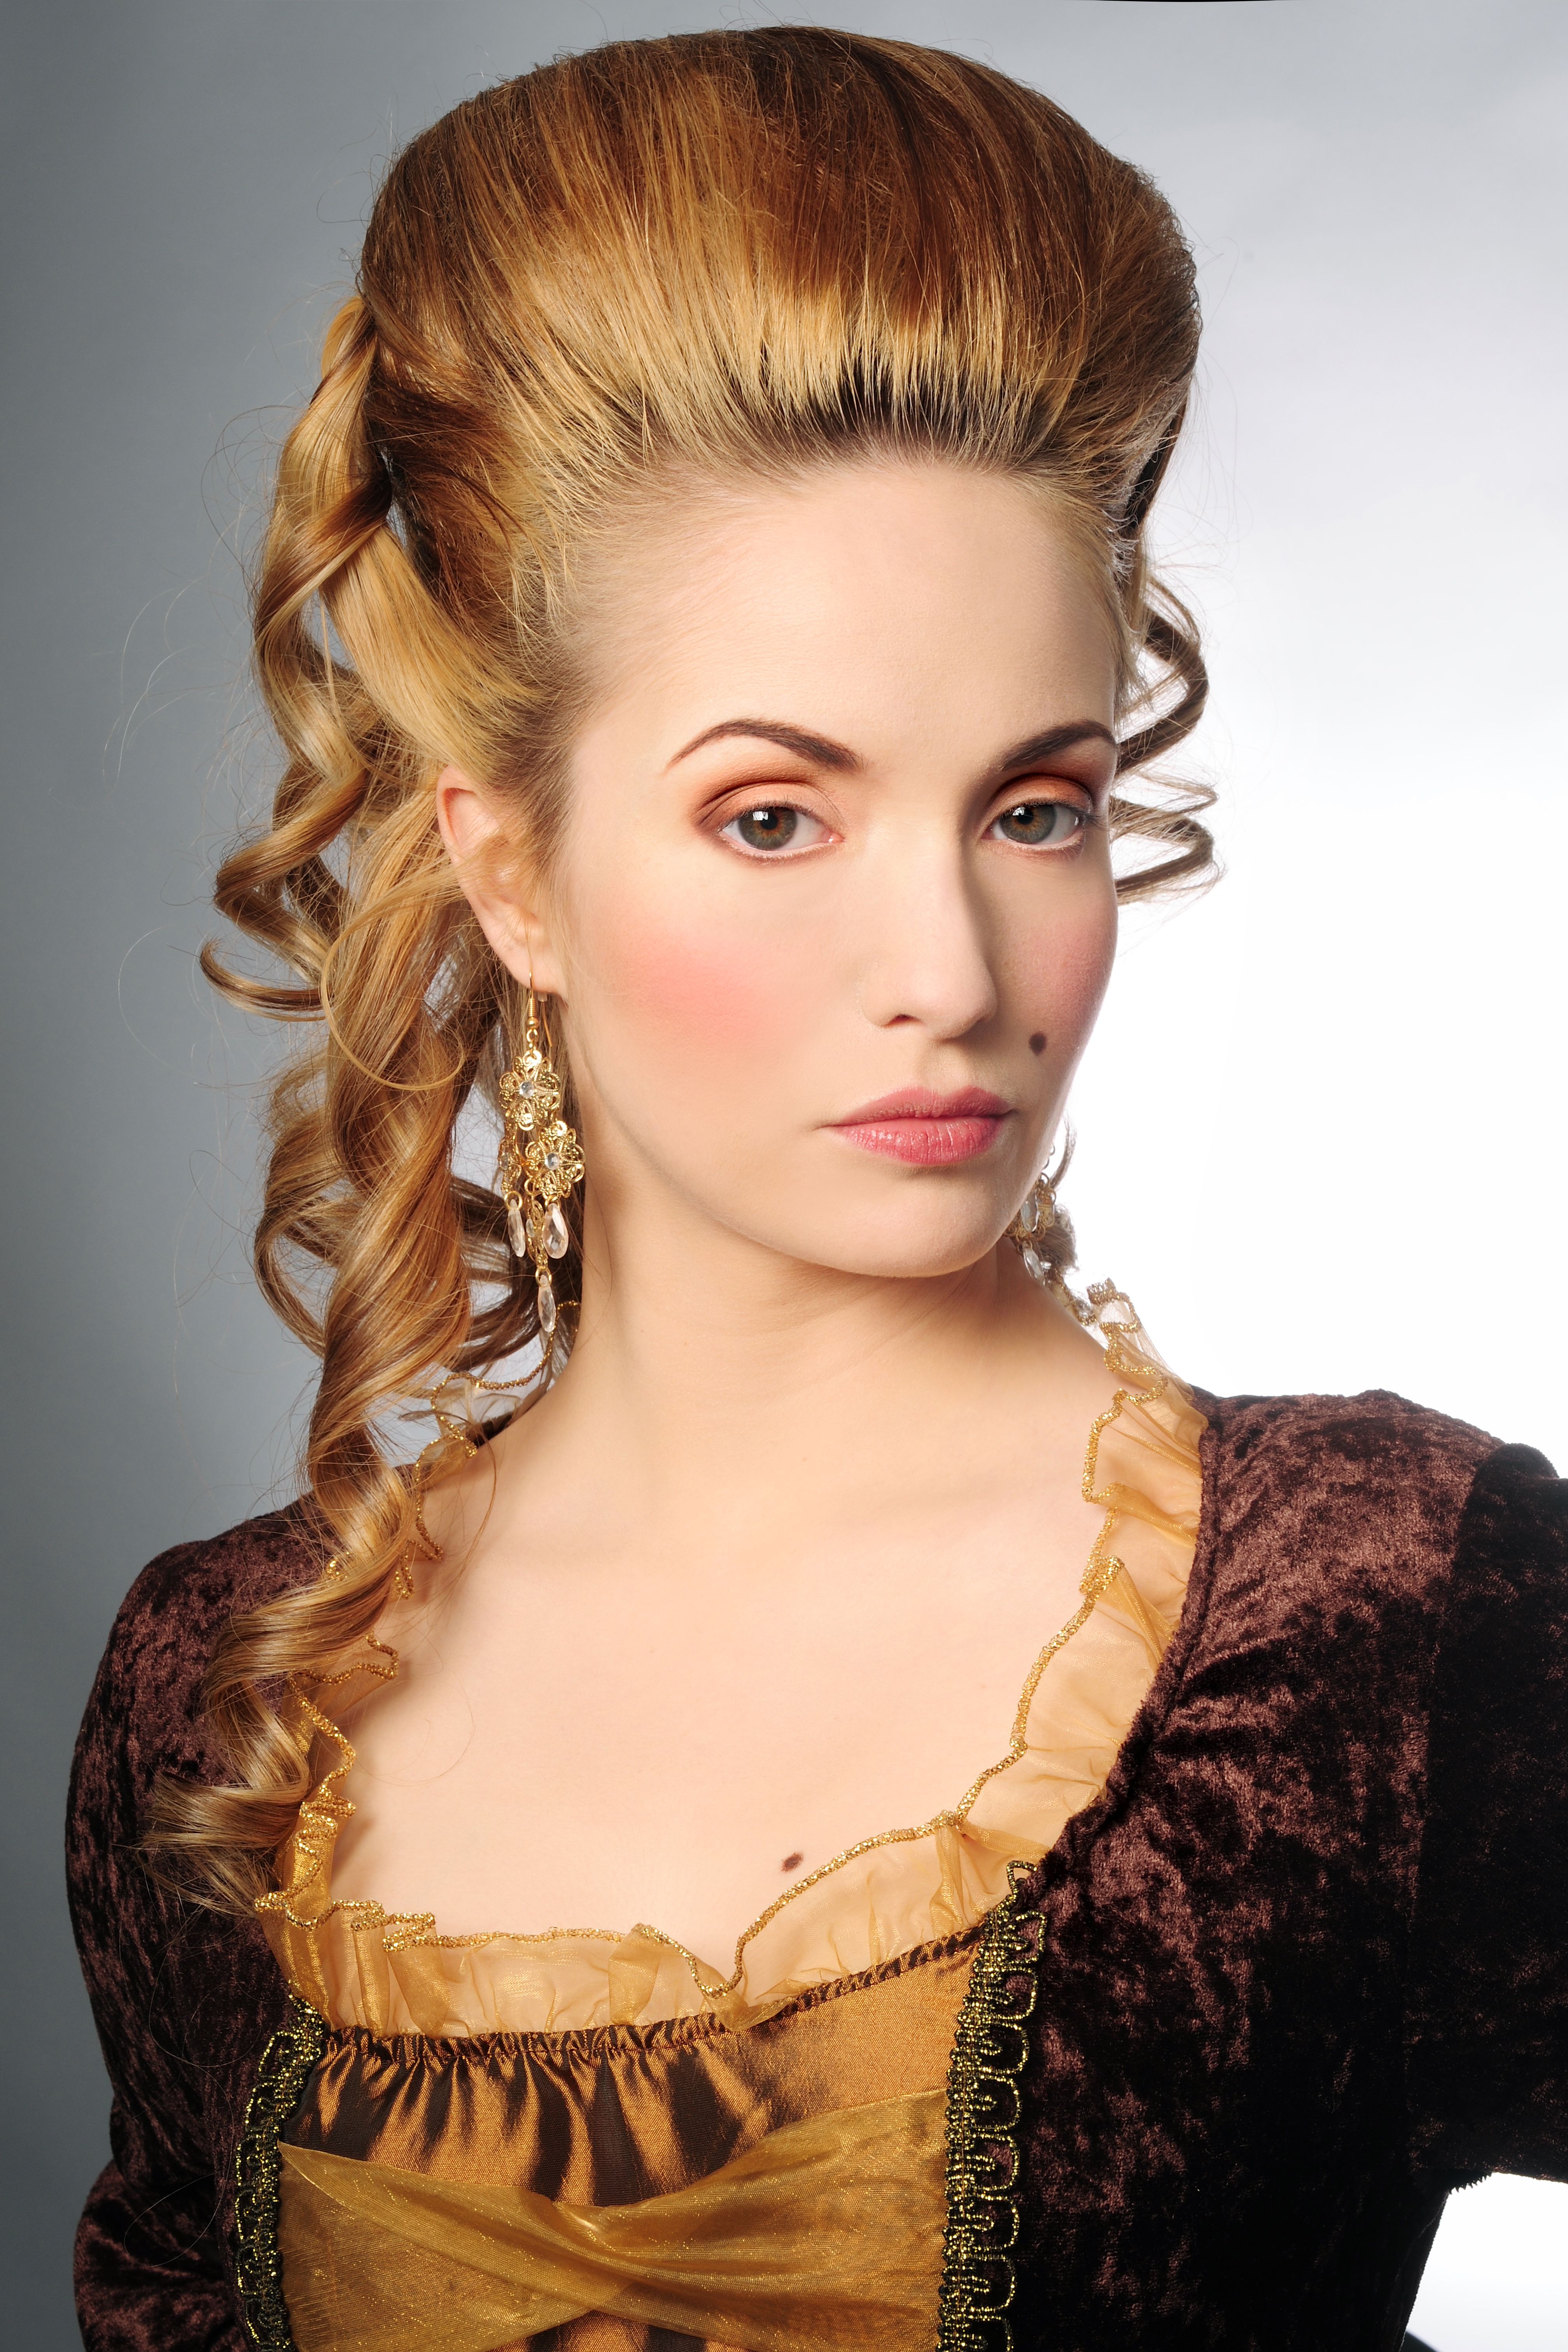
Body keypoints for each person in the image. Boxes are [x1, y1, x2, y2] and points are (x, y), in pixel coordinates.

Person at [66, 27, 1566, 2352]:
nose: (949, 972)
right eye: (774, 817)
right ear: (512, 870)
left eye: (1035, 808)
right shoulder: (221, 1699)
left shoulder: (1374, 1618)